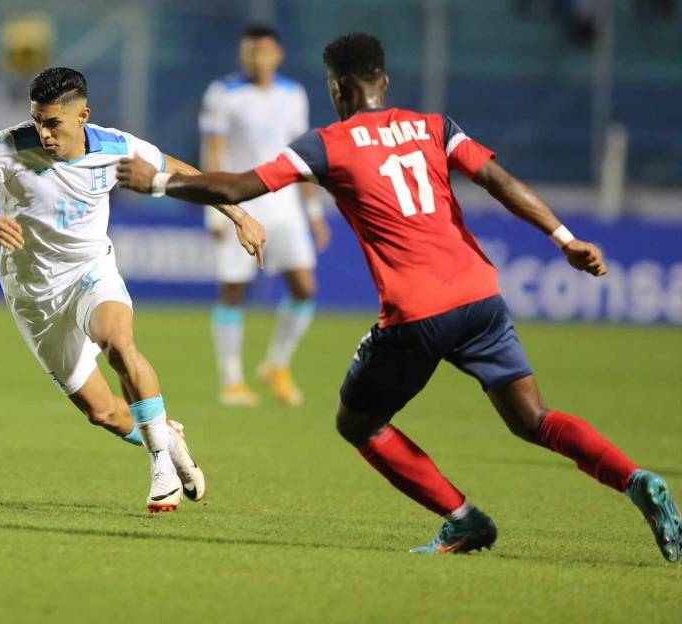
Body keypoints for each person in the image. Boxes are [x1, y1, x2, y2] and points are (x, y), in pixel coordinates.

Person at [117, 32, 680, 560]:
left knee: (357, 421)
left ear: (336, 89)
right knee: (532, 416)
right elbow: (499, 181)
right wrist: (565, 238)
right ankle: (635, 479)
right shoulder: (434, 125)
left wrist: (160, 181)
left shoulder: (328, 145)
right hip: (481, 295)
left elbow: (240, 185)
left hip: (416, 313)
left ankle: (462, 518)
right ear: (383, 83)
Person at [0, 66, 265, 512]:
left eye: (53, 122)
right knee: (103, 412)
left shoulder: (118, 149)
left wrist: (240, 216)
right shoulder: (9, 147)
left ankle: (161, 470)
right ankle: (166, 436)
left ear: (82, 116)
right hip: (33, 295)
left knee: (117, 341)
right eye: (37, 120)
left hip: (91, 271)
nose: (44, 132)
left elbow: (182, 175)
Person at [199, 24, 330, 407]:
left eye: (264, 51)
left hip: (285, 205)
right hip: (242, 204)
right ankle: (232, 380)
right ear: (242, 55)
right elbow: (213, 152)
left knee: (305, 288)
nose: (258, 59)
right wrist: (216, 212)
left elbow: (299, 158)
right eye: (250, 52)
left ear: (278, 54)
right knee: (233, 289)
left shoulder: (293, 95)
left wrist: (313, 210)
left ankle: (276, 364)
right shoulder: (223, 94)